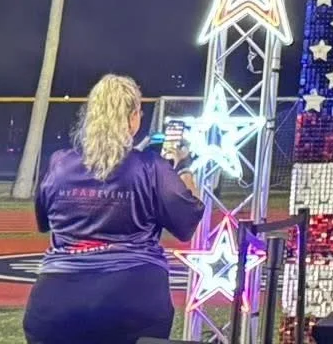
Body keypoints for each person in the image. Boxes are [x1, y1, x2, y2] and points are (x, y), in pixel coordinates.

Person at [24, 74, 202, 344]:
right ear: (132, 118)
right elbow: (187, 220)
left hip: (57, 300)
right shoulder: (152, 167)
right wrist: (184, 168)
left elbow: (43, 221)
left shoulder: (59, 163)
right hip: (134, 297)